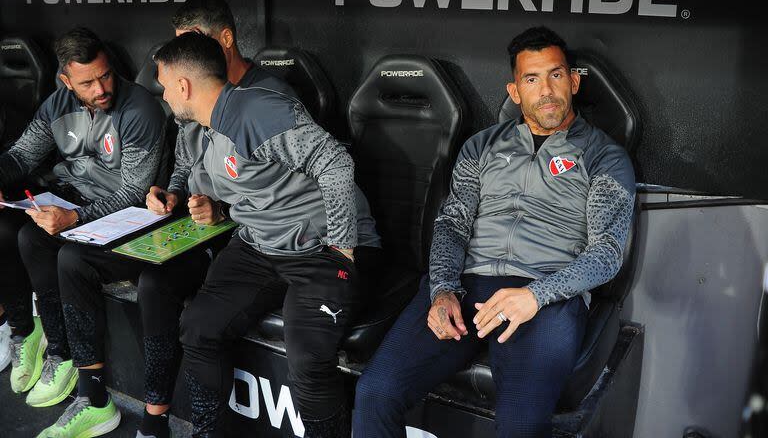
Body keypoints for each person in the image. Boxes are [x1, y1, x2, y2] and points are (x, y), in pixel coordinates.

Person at [352, 26, 636, 438]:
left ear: (573, 81)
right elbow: (452, 224)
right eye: (532, 79)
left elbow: (607, 253)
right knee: (375, 392)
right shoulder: (481, 147)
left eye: (556, 75)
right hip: (467, 288)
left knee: (520, 427)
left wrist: (534, 297)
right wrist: (442, 291)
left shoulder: (604, 156)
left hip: (546, 298)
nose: (547, 91)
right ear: (515, 91)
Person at [154, 32, 381, 438]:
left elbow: (336, 164)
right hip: (260, 243)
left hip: (320, 246)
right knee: (198, 326)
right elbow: (253, 185)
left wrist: (343, 247)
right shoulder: (204, 128)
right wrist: (218, 209)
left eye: (165, 85)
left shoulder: (256, 109)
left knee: (309, 359)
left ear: (183, 86)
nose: (164, 95)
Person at [0, 26, 167, 437]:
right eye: (88, 82)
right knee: (13, 230)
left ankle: (83, 379)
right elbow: (22, 155)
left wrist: (75, 219)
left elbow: (134, 192)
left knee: (52, 246)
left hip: (126, 216)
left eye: (105, 75)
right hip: (76, 201)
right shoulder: (57, 105)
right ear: (66, 80)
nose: (101, 87)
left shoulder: (139, 107)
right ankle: (51, 345)